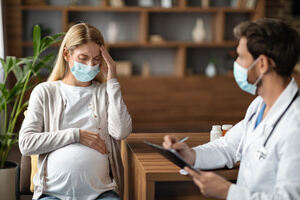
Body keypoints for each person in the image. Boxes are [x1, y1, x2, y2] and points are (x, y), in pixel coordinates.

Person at [163, 18, 300, 199]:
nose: (236, 64)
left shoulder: (295, 126)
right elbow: (228, 147)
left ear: (262, 64)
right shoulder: (259, 105)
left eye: (241, 57)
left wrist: (227, 192)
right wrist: (191, 155)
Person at [19, 23, 132, 200]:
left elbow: (122, 131)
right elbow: (26, 144)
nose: (90, 65)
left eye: (96, 59)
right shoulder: (45, 92)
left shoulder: (105, 92)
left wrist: (113, 81)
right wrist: (76, 135)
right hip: (52, 194)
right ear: (66, 54)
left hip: (102, 193)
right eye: (83, 58)